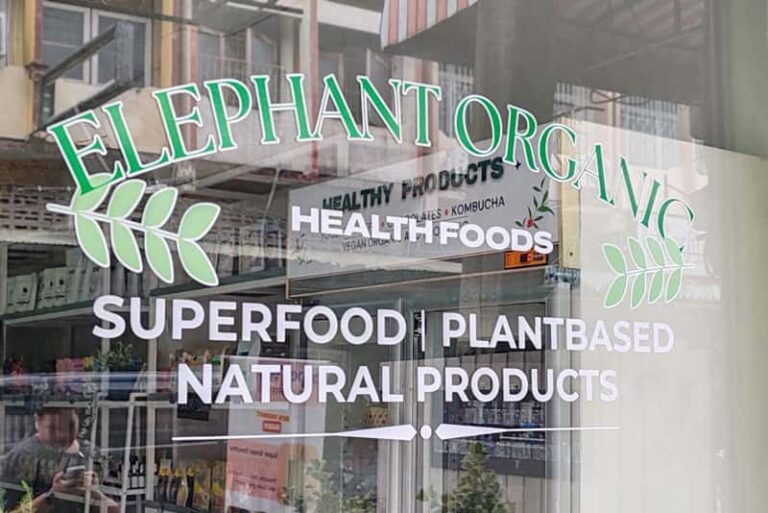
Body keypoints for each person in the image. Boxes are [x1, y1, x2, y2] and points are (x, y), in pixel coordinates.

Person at [0, 407, 117, 513]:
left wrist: (96, 495)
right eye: (52, 428)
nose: (62, 435)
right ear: (38, 421)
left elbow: (117, 508)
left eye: (70, 426)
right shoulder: (20, 458)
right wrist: (52, 496)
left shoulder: (93, 454)